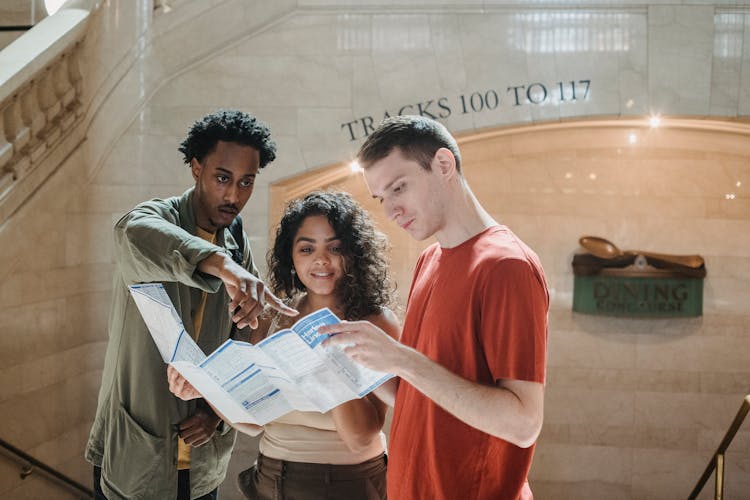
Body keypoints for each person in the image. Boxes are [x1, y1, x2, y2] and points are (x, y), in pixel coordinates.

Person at [320, 115, 549, 500]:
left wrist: (402, 359)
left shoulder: (507, 266)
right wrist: (358, 363)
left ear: (444, 165)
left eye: (399, 188)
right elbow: (424, 398)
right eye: (382, 198)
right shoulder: (430, 260)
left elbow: (523, 423)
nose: (391, 210)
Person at [85, 109, 297, 500]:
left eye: (246, 182)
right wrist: (224, 267)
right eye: (222, 178)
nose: (234, 196)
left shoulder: (235, 238)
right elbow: (130, 231)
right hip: (136, 456)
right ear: (196, 167)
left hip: (202, 464)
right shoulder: (153, 220)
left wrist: (215, 414)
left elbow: (242, 338)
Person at [168, 190, 400, 500]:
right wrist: (205, 388)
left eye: (335, 247)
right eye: (307, 248)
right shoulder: (273, 317)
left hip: (347, 482)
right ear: (291, 256)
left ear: (353, 253)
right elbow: (252, 421)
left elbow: (362, 437)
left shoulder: (374, 321)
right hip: (269, 476)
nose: (321, 260)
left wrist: (325, 366)